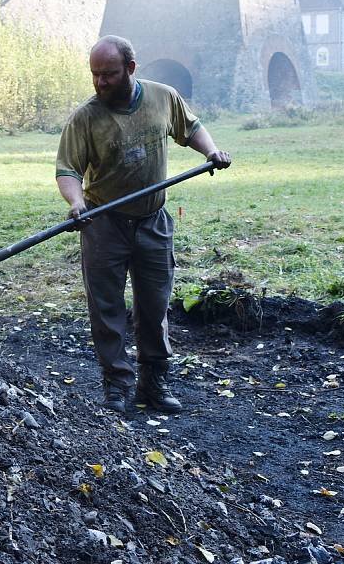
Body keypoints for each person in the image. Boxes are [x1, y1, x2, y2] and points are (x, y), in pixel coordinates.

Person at [55, 35, 231, 414]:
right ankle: (116, 387)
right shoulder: (86, 117)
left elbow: (192, 127)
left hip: (153, 221)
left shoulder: (162, 97)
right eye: (95, 75)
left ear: (131, 69)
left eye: (109, 74)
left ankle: (153, 385)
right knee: (107, 309)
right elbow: (67, 169)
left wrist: (211, 151)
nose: (100, 82)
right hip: (103, 223)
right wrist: (76, 202)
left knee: (154, 308)